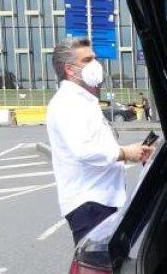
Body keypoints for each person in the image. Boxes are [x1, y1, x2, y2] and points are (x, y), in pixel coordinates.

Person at [46, 37, 154, 244]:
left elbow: (97, 144)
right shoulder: (67, 103)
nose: (96, 65)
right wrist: (124, 153)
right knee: (97, 271)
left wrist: (132, 151)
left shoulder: (84, 101)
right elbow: (83, 150)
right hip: (90, 205)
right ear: (70, 69)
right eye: (88, 60)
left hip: (103, 200)